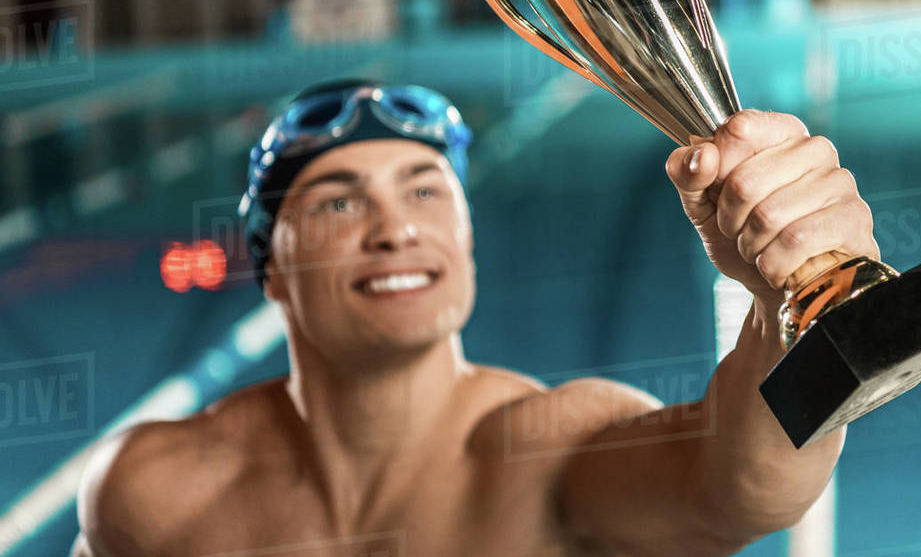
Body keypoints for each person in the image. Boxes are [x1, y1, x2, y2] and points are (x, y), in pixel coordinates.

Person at [72, 79, 879, 557]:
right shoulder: (158, 489)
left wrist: (795, 302)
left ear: (463, 237)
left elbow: (735, 487)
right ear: (272, 267)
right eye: (341, 199)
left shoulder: (545, 451)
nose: (396, 228)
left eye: (426, 190)